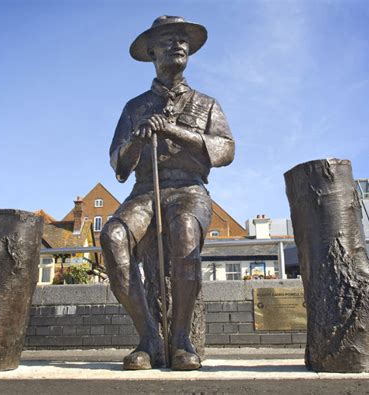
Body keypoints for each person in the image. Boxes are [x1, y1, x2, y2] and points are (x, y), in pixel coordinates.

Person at [100, 15, 235, 371]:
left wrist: (175, 131)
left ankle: (181, 340)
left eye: (183, 39)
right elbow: (118, 166)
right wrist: (137, 141)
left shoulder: (207, 104)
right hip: (144, 191)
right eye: (169, 39)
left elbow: (225, 150)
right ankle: (148, 338)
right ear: (152, 51)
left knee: (185, 232)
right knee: (112, 236)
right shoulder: (134, 107)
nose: (179, 44)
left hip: (189, 189)